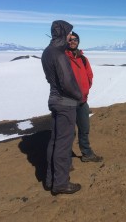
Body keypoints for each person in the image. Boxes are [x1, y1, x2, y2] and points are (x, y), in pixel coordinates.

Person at [40, 20, 82, 195]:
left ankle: (50, 180)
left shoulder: (47, 52)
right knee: (64, 144)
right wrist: (79, 96)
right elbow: (67, 82)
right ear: (62, 33)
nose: (70, 36)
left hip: (54, 100)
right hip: (65, 103)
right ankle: (61, 183)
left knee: (55, 141)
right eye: (68, 33)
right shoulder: (59, 55)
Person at [67, 32, 103, 163]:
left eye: (75, 39)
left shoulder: (83, 58)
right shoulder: (63, 58)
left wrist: (86, 88)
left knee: (84, 129)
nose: (73, 41)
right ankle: (65, 161)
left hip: (82, 101)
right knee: (69, 133)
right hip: (68, 102)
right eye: (70, 40)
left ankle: (87, 154)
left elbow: (89, 75)